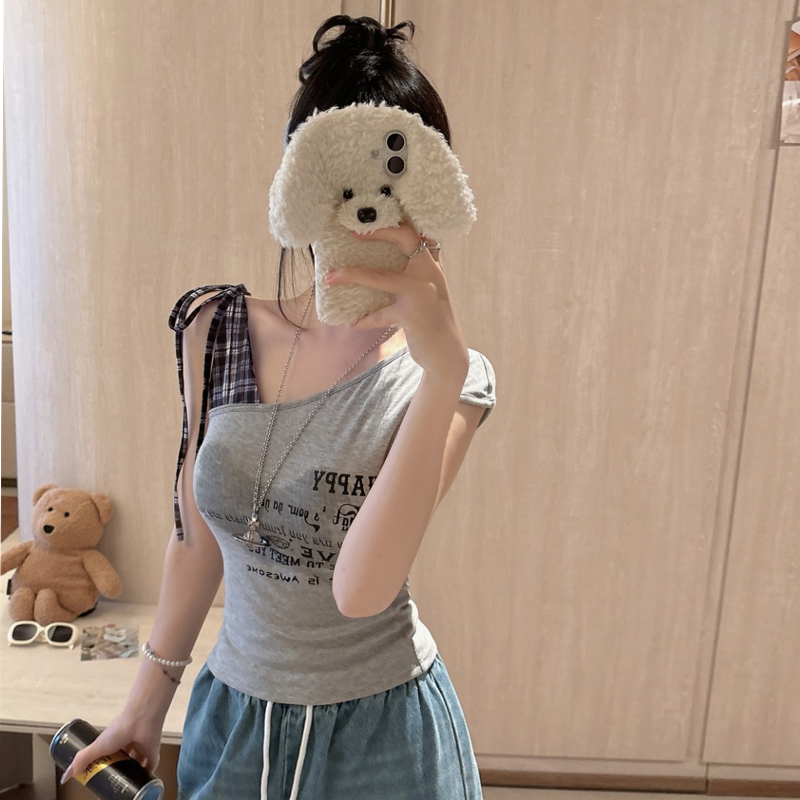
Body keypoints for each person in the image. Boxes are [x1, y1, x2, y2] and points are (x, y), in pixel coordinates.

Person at [62, 14, 497, 800]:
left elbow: (361, 591)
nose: (369, 209)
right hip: (234, 719)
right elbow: (198, 537)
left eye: (397, 174)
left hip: (385, 738)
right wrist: (144, 708)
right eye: (341, 175)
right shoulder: (217, 328)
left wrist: (441, 371)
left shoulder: (451, 381)